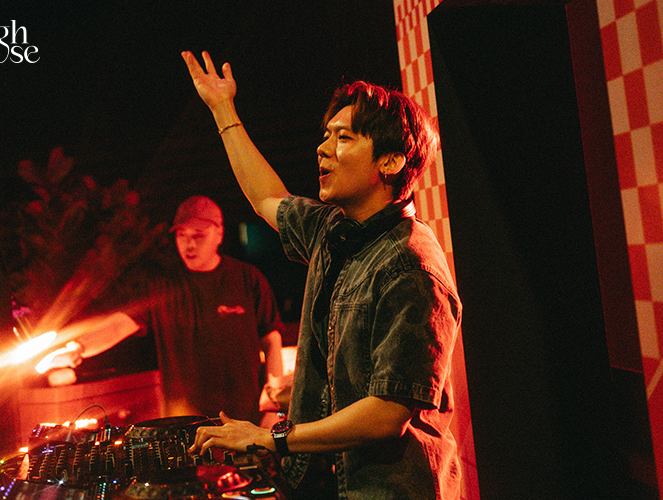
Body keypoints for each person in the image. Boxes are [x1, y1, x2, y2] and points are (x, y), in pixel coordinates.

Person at [181, 51, 462, 499]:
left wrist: (270, 438)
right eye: (326, 135)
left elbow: (388, 412)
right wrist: (223, 111)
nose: (323, 148)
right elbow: (267, 197)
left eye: (344, 137)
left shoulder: (412, 265)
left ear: (390, 163)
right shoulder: (333, 230)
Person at [38, 195, 285, 423]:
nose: (189, 244)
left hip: (247, 418)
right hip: (185, 424)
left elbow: (272, 342)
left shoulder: (247, 278)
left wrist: (273, 408)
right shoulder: (162, 286)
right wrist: (77, 349)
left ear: (219, 234)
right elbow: (119, 324)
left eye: (198, 235)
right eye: (181, 235)